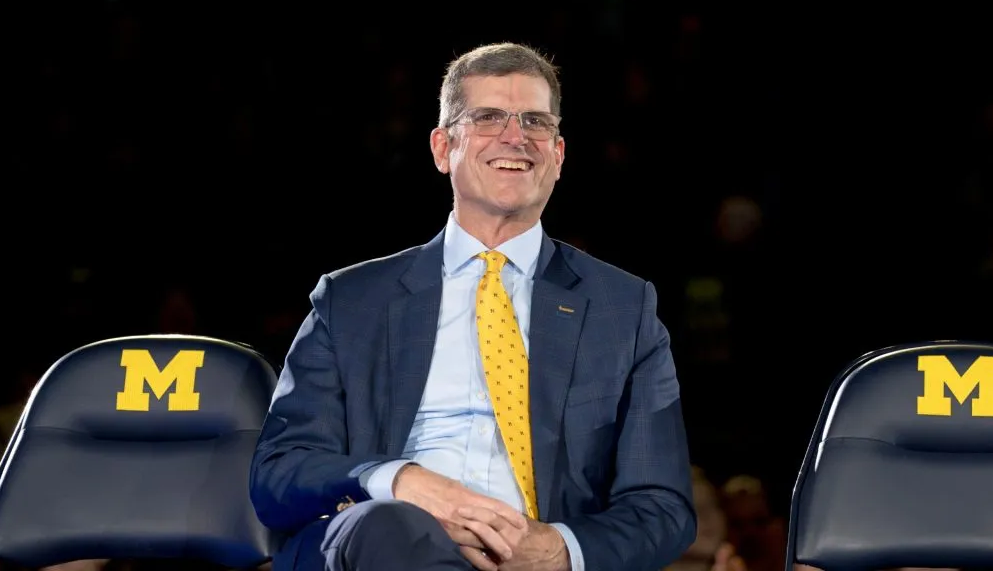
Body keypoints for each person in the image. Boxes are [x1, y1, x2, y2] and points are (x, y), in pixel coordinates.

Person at [249, 42, 697, 571]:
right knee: (388, 522)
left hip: (535, 556)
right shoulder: (352, 301)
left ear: (558, 155)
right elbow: (281, 472)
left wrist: (558, 550)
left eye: (535, 121)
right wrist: (399, 480)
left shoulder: (623, 309)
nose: (516, 137)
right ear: (443, 149)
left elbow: (663, 507)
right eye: (488, 118)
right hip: (385, 543)